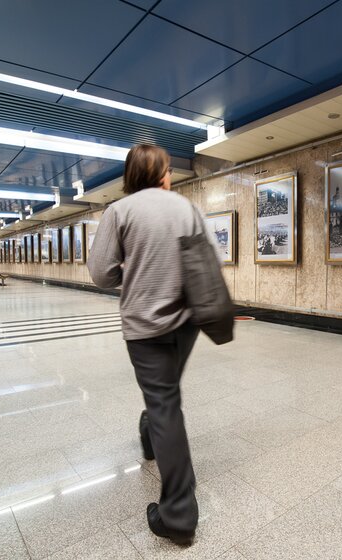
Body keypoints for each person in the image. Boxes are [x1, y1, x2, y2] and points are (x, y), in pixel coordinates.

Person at [87, 144, 219, 545]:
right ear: (161, 174)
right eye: (168, 169)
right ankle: (149, 429)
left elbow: (100, 274)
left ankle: (178, 515)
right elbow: (209, 257)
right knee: (163, 398)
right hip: (187, 322)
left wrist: (133, 269)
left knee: (165, 405)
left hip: (146, 327)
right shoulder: (185, 208)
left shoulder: (119, 212)